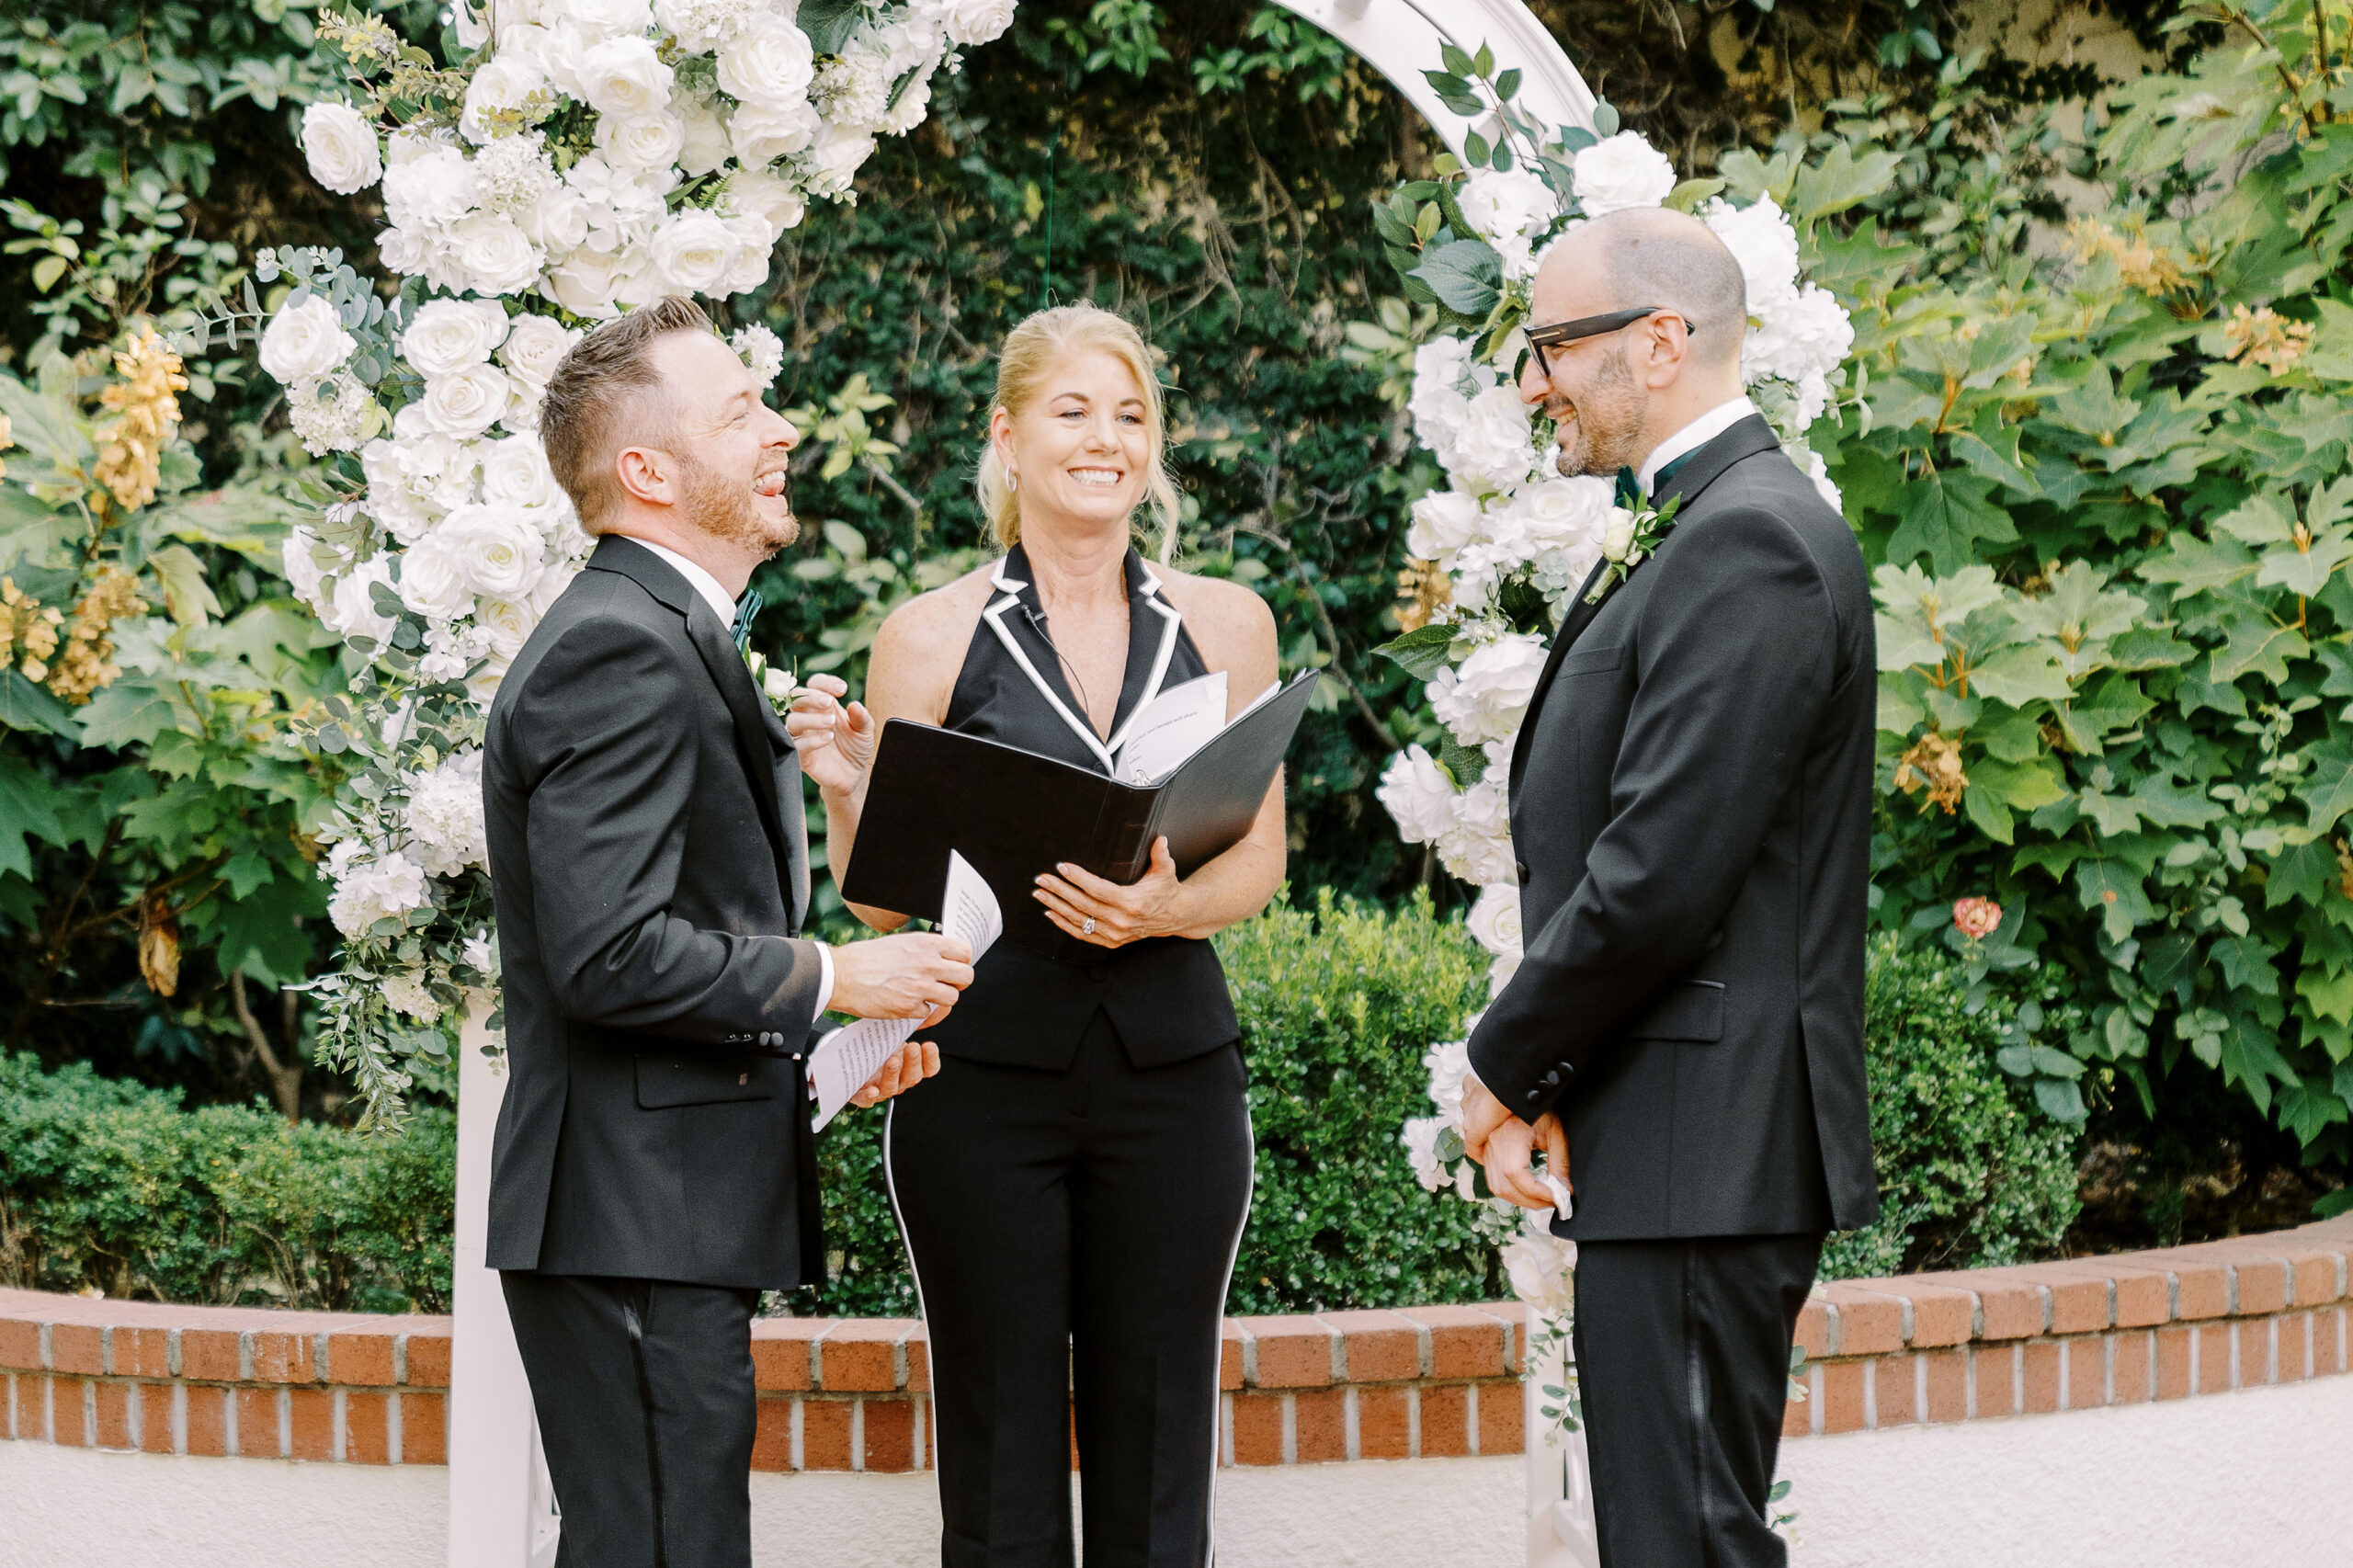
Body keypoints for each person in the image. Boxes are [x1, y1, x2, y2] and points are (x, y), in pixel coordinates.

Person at [482, 295, 977, 1568]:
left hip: (654, 1213)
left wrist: (829, 1045)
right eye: (743, 411)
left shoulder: (666, 634)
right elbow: (606, 956)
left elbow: (660, 951)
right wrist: (832, 969)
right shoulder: (622, 647)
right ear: (647, 469)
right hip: (630, 1218)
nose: (785, 430)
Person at [788, 302, 1284, 1568]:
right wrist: (849, 787)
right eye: (1072, 411)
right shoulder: (930, 635)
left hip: (1171, 1081)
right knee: (1000, 1458)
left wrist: (1162, 908)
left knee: (1163, 1445)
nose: (1104, 440)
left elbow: (1263, 858)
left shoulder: (1229, 623)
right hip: (980, 1087)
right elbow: (881, 902)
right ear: (1007, 437)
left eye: (1129, 416)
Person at [1459, 210, 1880, 1568]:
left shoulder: (1747, 539)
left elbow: (1661, 871)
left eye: (1551, 348)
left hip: (1713, 1138)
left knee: (1687, 1544)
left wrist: (1506, 1061)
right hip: (1671, 1129)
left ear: (1660, 341)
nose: (1532, 384)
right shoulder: (1693, 525)